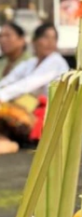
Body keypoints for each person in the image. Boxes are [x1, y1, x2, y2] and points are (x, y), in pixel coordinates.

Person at [0, 23, 69, 154]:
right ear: (35, 41)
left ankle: (9, 144)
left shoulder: (56, 61)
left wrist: (1, 96)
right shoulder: (30, 63)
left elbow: (27, 84)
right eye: (45, 37)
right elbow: (8, 81)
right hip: (33, 113)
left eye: (53, 38)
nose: (50, 42)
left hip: (50, 117)